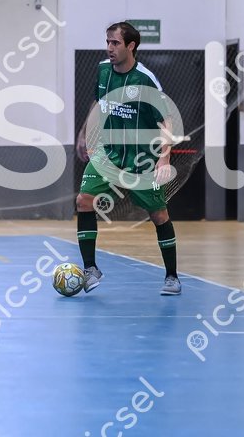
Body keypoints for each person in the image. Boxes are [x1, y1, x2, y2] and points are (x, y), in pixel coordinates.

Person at [75, 22, 181, 296]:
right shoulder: (103, 71)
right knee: (84, 200)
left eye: (115, 43)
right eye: (107, 42)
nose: (109, 48)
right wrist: (84, 133)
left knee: (159, 214)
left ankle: (172, 276)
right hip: (108, 153)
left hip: (141, 158)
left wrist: (164, 159)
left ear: (131, 46)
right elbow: (98, 102)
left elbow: (166, 120)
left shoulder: (145, 79)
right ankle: (90, 269)